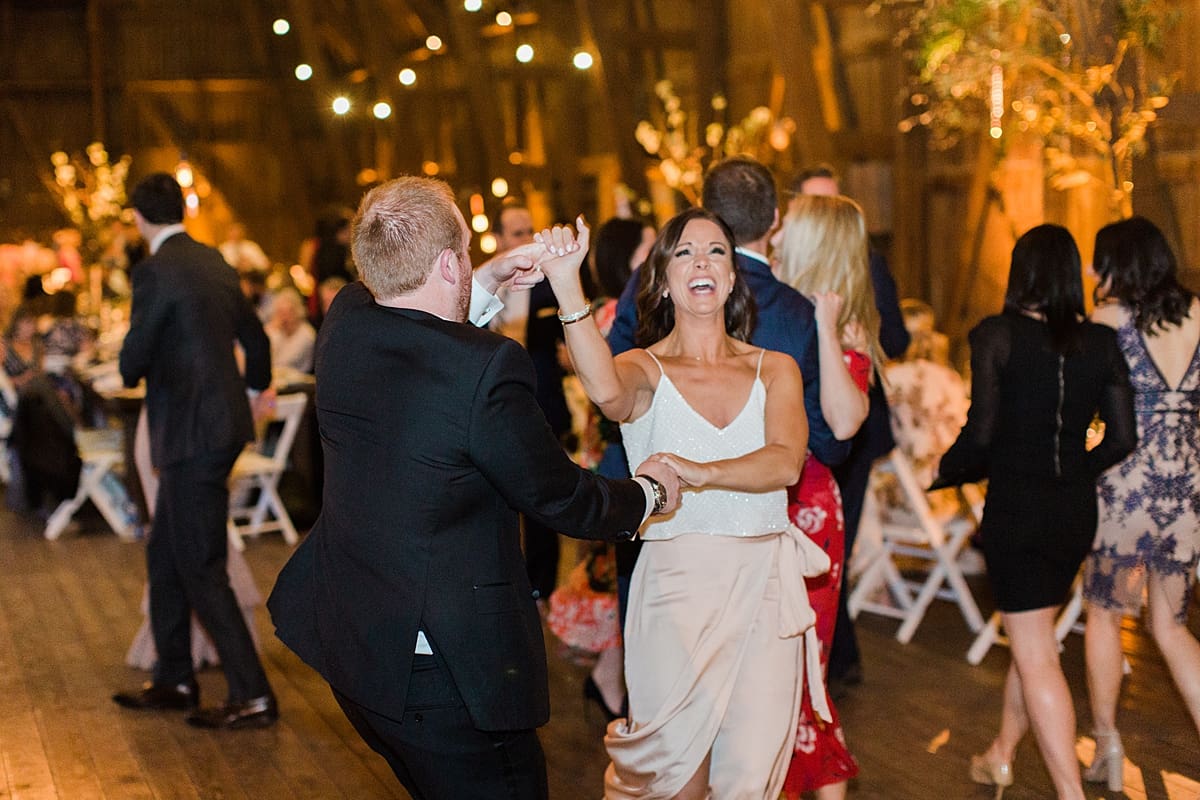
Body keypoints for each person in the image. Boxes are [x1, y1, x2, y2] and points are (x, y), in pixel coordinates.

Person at [266, 176, 680, 800]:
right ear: (444, 263)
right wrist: (648, 494)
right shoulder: (484, 369)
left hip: (357, 647)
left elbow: (417, 319)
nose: (470, 258)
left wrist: (485, 277)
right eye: (464, 248)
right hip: (441, 673)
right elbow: (560, 496)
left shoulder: (346, 321)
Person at [536, 207, 828, 799]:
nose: (702, 261)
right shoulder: (643, 367)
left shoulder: (777, 369)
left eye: (716, 251)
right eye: (685, 252)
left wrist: (697, 472)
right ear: (664, 277)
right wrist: (568, 284)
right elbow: (605, 393)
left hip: (765, 590)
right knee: (676, 776)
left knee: (749, 777)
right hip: (674, 590)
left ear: (731, 276)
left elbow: (785, 461)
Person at [933, 224, 1136, 799]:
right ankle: (1002, 752)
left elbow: (983, 431)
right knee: (1037, 637)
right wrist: (1072, 472)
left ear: (1020, 271)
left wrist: (947, 472)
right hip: (1074, 511)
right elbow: (1122, 438)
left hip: (1018, 512)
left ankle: (1070, 793)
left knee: (1035, 650)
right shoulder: (1100, 342)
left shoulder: (996, 335)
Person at [607, 156, 852, 631]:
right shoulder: (800, 310)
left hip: (649, 505)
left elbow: (615, 376)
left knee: (652, 648)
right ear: (775, 219)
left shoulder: (654, 278)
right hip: (730, 519)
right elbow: (828, 438)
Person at [112, 172, 278, 730]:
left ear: (138, 217)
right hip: (220, 427)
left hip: (190, 435)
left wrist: (131, 361)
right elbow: (255, 341)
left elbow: (133, 361)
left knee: (200, 563)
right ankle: (173, 677)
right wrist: (254, 391)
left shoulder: (154, 271)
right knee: (166, 551)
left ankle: (252, 694)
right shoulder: (214, 261)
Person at [1082, 216, 1200, 792]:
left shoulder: (1105, 322)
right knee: (1171, 626)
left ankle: (1107, 744)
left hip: (1123, 489)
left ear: (1117, 265)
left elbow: (1079, 409)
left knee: (1104, 613)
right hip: (1185, 492)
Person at [774, 194, 882, 800]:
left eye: (788, 225)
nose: (776, 231)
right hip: (760, 497)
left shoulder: (846, 325)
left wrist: (821, 323)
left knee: (806, 665)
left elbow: (844, 422)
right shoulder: (765, 305)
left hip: (810, 509)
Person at [788, 163, 910, 694]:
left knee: (824, 567)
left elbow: (895, 339)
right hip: (792, 466)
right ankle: (835, 659)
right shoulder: (775, 298)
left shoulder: (863, 282)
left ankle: (833, 662)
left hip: (841, 449)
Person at [546, 216, 656, 723]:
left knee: (623, 585)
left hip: (615, 455)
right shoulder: (615, 317)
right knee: (626, 586)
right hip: (620, 460)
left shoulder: (626, 312)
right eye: (649, 248)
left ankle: (610, 679)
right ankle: (627, 690)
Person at [265, 287, 316, 372]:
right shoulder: (276, 330)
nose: (283, 317)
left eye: (288, 312)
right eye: (280, 312)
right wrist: (271, 330)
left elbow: (282, 362)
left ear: (298, 311)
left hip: (301, 382)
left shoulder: (306, 334)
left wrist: (274, 332)